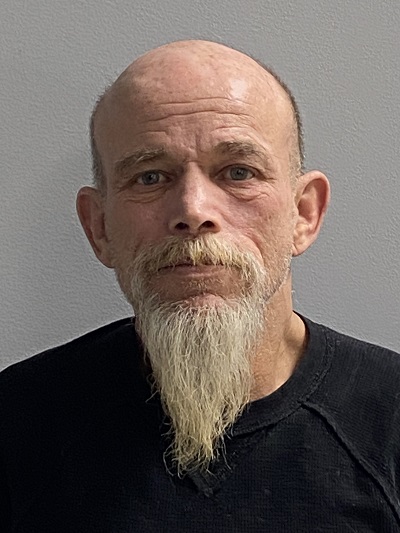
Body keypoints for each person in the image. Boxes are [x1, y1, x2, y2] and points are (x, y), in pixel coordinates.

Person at [1, 40, 399, 532]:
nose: (193, 210)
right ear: (99, 227)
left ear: (304, 213)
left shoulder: (389, 420)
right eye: (150, 177)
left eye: (238, 172)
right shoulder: (18, 422)